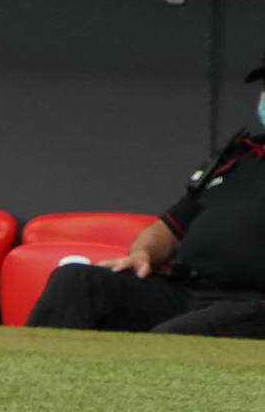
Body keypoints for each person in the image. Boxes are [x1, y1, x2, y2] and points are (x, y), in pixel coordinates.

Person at [25, 55, 265, 338]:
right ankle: (28, 378)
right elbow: (167, 228)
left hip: (251, 305)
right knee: (75, 281)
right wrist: (143, 253)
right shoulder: (239, 156)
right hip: (184, 291)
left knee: (169, 338)